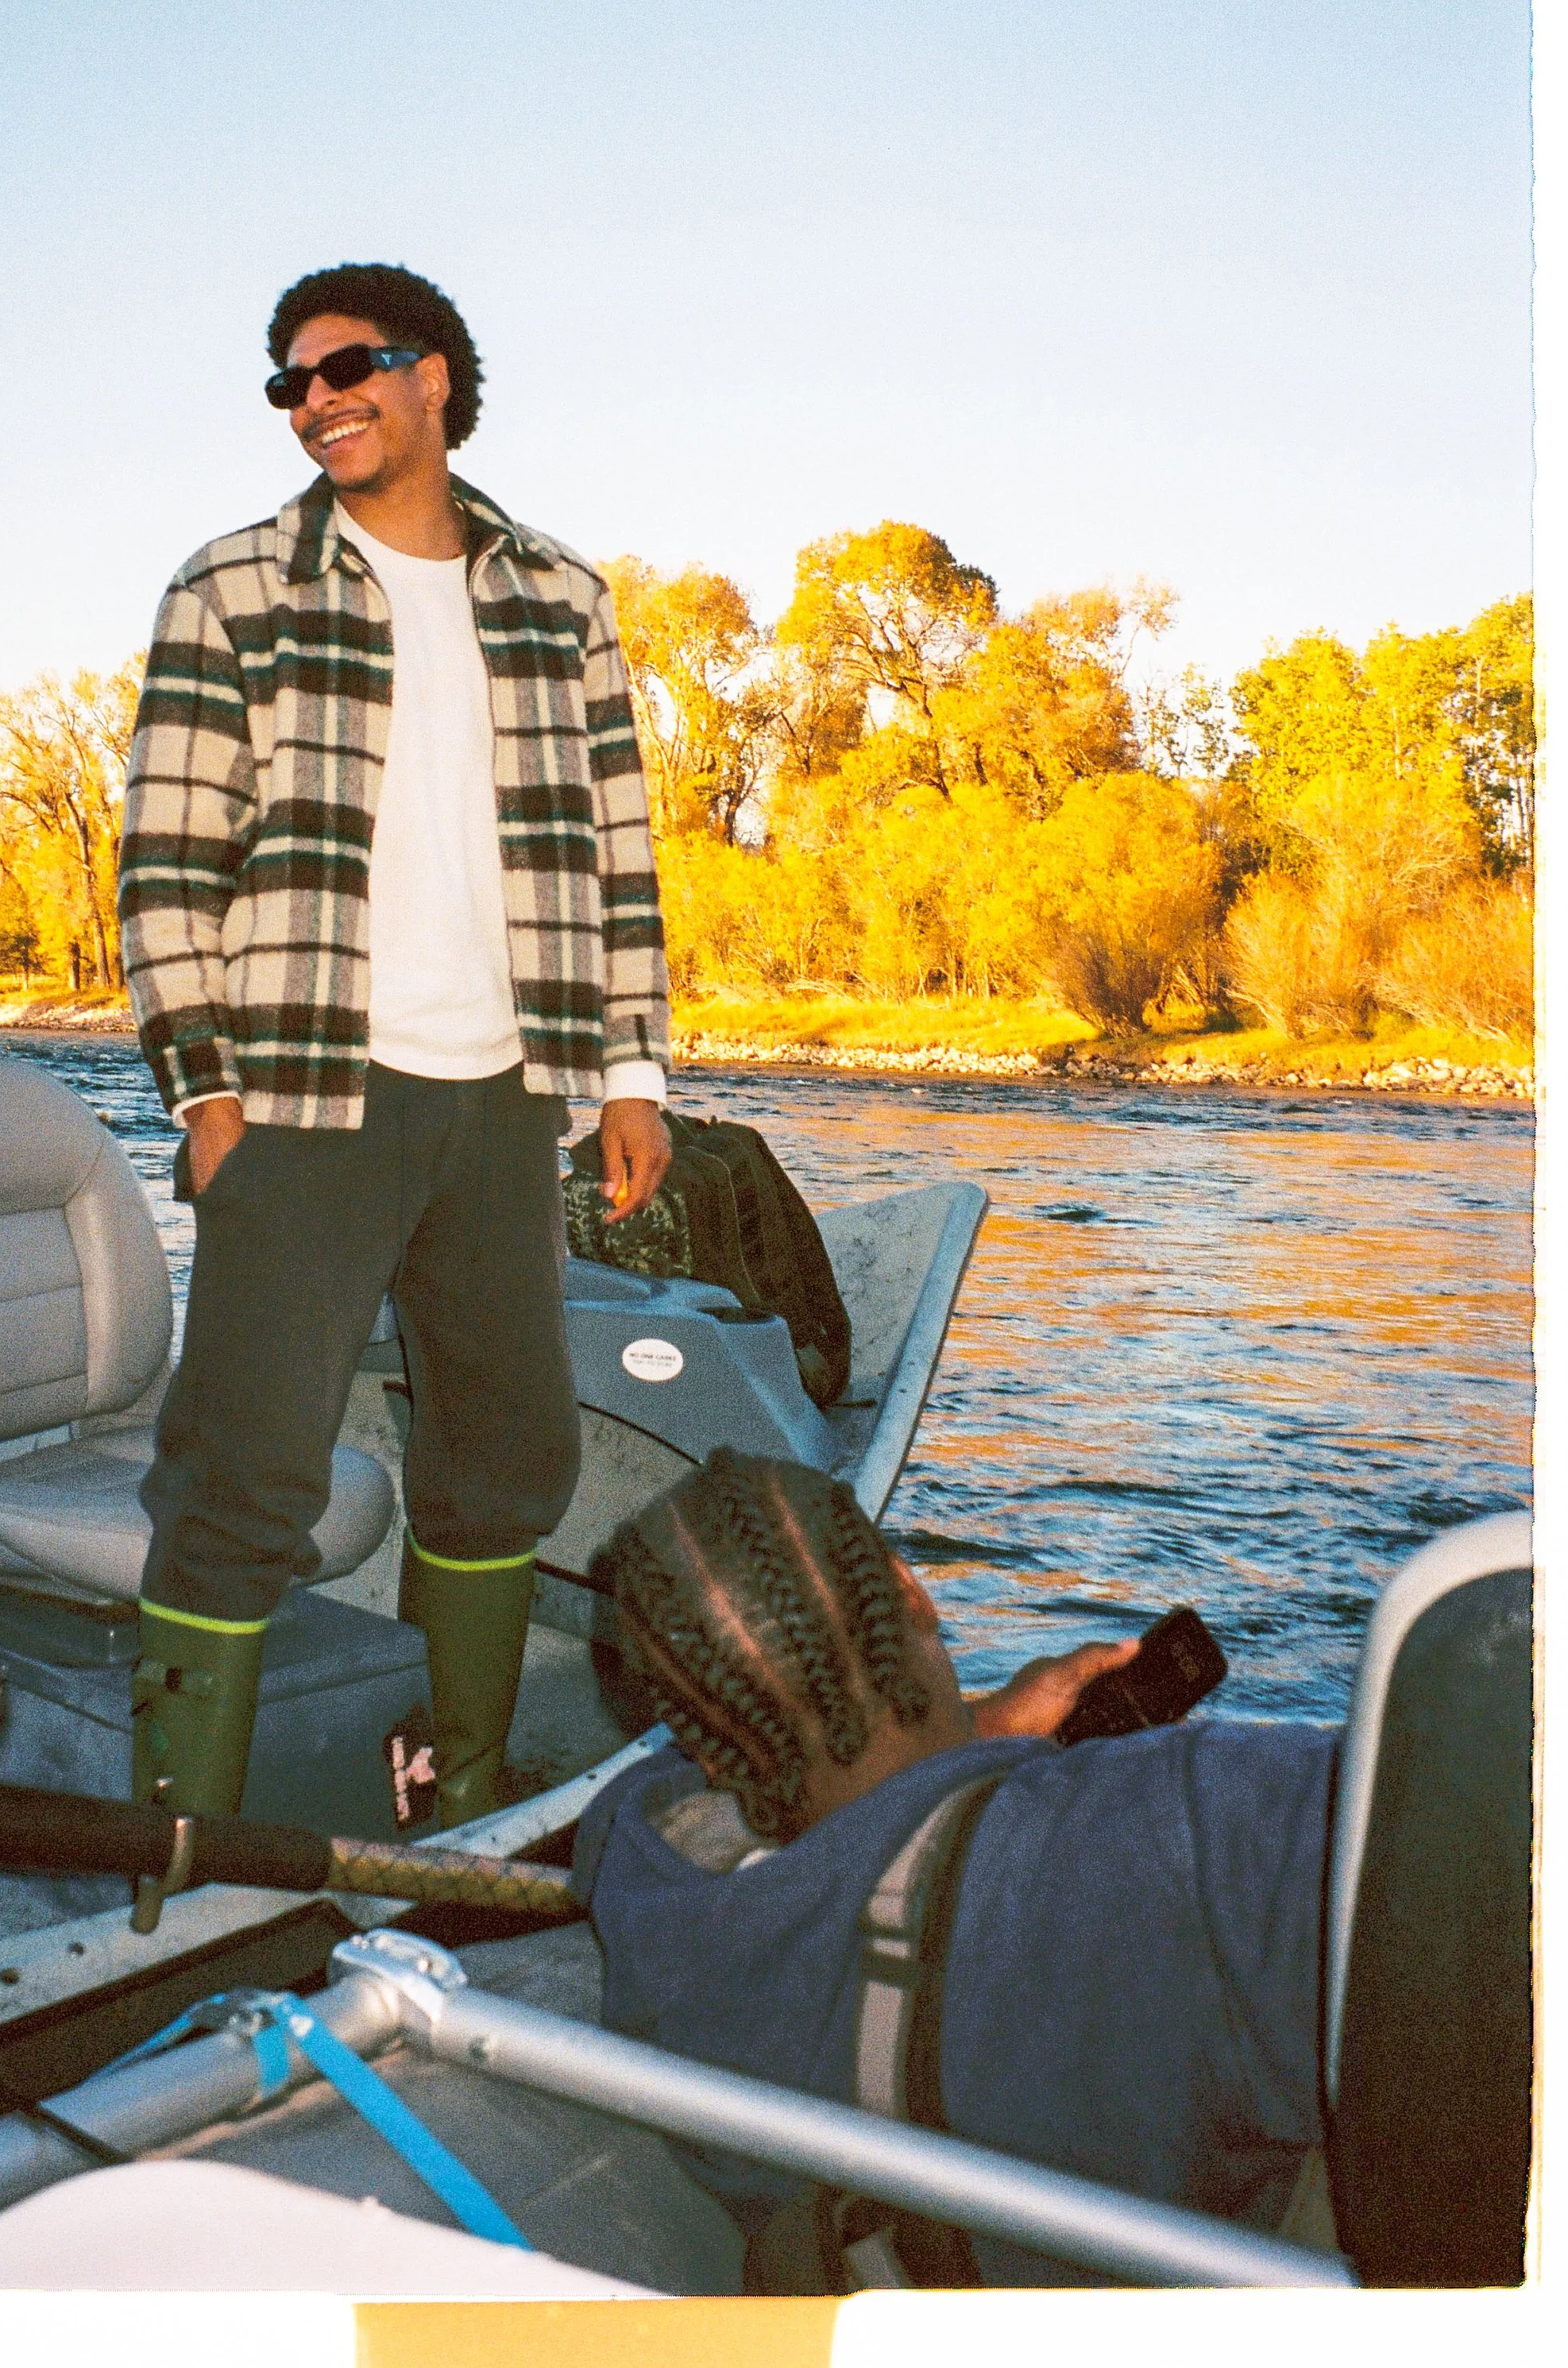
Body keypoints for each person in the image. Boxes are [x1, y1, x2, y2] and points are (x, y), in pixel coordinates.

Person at [118, 261, 671, 1830]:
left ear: (435, 375)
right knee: (242, 1479)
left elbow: (618, 855)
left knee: (506, 1455)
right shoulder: (230, 585)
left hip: (506, 1097)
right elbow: (164, 858)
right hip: (298, 1097)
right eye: (288, 383)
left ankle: (446, 1815)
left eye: (345, 365)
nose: (314, 402)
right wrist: (203, 1091)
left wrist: (631, 1076)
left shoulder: (561, 598)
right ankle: (183, 1856)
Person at [575, 1449, 1337, 2289]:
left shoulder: (649, 1876)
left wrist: (980, 1737)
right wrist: (980, 1736)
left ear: (705, 1739)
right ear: (910, 1591)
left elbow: (663, 1789)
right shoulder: (1190, 1817)